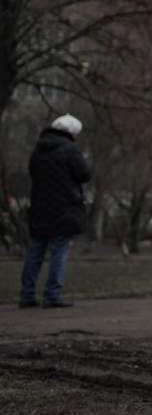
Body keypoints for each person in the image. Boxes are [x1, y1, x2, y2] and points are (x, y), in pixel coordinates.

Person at [20, 114, 92, 309]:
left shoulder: (38, 149)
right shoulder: (70, 150)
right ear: (71, 133)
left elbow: (33, 173)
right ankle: (52, 294)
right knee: (59, 250)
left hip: (39, 208)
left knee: (36, 250)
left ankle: (27, 294)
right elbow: (84, 174)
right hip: (64, 208)